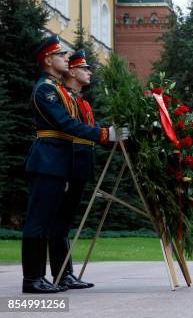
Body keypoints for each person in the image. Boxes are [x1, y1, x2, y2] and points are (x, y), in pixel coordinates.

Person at [22, 35, 127, 294]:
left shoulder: (56, 90)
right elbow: (66, 125)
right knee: (38, 222)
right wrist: (105, 134)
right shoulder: (45, 90)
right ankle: (32, 279)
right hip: (47, 160)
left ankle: (61, 274)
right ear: (48, 60)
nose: (66, 60)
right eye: (60, 56)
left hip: (58, 162)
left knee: (57, 223)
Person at [47, 50, 98, 290]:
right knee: (59, 222)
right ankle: (62, 273)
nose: (89, 73)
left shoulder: (81, 101)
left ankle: (66, 273)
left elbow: (93, 131)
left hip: (80, 165)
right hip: (68, 163)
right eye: (84, 69)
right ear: (73, 72)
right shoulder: (63, 97)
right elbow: (70, 130)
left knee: (65, 222)